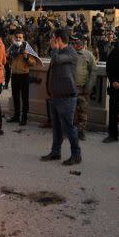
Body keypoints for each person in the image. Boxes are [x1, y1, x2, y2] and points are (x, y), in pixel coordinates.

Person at [41, 28, 81, 165]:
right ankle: (55, 152)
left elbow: (57, 60)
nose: (50, 41)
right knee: (56, 127)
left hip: (67, 97)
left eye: (52, 38)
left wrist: (54, 48)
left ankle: (76, 155)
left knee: (69, 127)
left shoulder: (70, 52)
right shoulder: (58, 52)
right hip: (55, 95)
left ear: (57, 39)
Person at [6, 30, 38, 126]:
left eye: (20, 37)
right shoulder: (12, 48)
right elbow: (7, 59)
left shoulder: (27, 48)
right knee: (15, 97)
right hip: (14, 74)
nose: (18, 39)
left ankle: (24, 118)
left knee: (25, 98)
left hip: (24, 75)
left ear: (23, 38)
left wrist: (26, 57)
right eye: (17, 37)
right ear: (14, 38)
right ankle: (16, 116)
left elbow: (34, 63)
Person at [71, 34, 96, 141]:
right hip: (69, 88)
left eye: (77, 42)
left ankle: (81, 131)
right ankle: (71, 130)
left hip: (82, 88)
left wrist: (88, 87)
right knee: (70, 111)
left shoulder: (88, 55)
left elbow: (93, 72)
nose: (75, 43)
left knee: (82, 111)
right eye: (73, 42)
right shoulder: (69, 53)